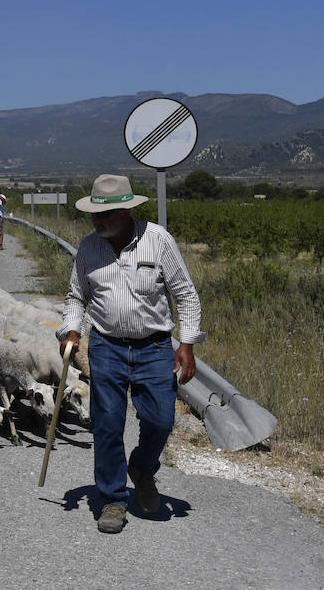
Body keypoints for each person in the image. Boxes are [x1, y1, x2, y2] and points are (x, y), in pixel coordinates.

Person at [56, 174, 202, 534]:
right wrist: (71, 330)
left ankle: (140, 467)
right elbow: (76, 297)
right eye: (94, 214)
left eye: (105, 215)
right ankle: (113, 499)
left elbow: (186, 294)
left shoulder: (158, 240)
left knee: (161, 420)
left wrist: (187, 344)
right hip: (106, 345)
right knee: (107, 424)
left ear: (126, 212)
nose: (97, 221)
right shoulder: (88, 248)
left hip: (153, 347)